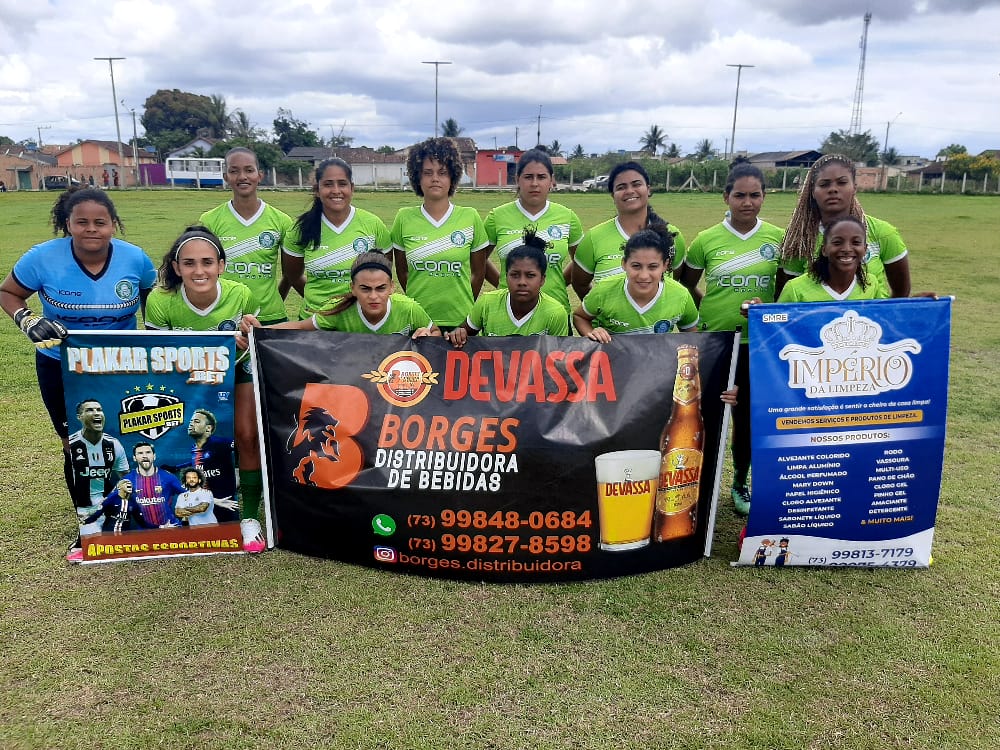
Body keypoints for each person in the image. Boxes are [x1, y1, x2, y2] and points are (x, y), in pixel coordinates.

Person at [0, 187, 155, 560]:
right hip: (61, 366)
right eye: (81, 222)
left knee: (125, 440)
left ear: (112, 225)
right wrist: (28, 320)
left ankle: (131, 516)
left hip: (120, 365)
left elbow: (155, 298)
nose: (91, 229)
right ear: (67, 224)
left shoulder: (135, 259)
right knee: (77, 444)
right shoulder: (42, 258)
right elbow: (8, 293)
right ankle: (89, 524)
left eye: (100, 222)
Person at [679, 158, 784, 515]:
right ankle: (699, 484)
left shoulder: (777, 238)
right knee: (704, 415)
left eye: (755, 195)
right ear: (726, 197)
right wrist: (709, 309)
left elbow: (785, 291)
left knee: (748, 418)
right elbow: (686, 286)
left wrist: (766, 311)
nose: (747, 202)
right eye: (740, 195)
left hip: (761, 344)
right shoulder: (706, 240)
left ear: (764, 197)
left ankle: (740, 482)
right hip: (715, 342)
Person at [145, 226, 265, 523]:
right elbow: (157, 355)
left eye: (207, 262)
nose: (199, 270)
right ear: (176, 267)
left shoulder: (240, 294)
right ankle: (176, 505)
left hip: (236, 367)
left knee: (248, 436)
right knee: (176, 438)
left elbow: (251, 336)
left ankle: (248, 516)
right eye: (189, 263)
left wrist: (247, 335)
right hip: (184, 377)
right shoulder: (160, 300)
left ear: (221, 265)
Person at [777, 153, 910, 299]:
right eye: (824, 184)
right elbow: (787, 300)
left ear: (854, 188)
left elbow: (901, 292)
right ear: (813, 192)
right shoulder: (800, 238)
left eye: (841, 182)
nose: (833, 189)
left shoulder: (882, 232)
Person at [391, 137, 489, 331]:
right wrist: (415, 307)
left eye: (442, 173)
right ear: (417, 177)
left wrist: (464, 314)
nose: (435, 178)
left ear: (452, 177)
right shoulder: (403, 218)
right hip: (418, 323)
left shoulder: (470, 217)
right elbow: (402, 272)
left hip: (460, 323)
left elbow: (479, 273)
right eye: (428, 173)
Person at [283, 157, 391, 320]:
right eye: (328, 184)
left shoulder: (373, 224)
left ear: (352, 188)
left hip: (360, 322)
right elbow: (293, 276)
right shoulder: (300, 228)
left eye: (342, 183)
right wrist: (319, 303)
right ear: (317, 190)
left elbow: (385, 275)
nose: (336, 190)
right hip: (313, 321)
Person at [482, 149, 583, 319]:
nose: (535, 183)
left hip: (554, 312)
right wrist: (507, 282)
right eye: (528, 177)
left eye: (541, 177)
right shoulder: (496, 217)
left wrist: (557, 281)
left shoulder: (567, 217)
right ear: (517, 180)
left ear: (552, 180)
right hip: (507, 312)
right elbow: (479, 261)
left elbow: (581, 263)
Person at [199, 147, 295, 326]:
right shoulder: (210, 220)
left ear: (260, 175)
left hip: (270, 317)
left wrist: (275, 299)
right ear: (226, 177)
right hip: (225, 316)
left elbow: (290, 274)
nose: (242, 176)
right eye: (234, 171)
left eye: (249, 170)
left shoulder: (281, 221)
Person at [244, 252, 439, 338]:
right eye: (365, 288)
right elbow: (300, 326)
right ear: (353, 288)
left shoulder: (409, 309)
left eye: (380, 288)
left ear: (392, 288)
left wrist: (428, 336)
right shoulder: (339, 310)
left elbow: (436, 333)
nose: (373, 296)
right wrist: (259, 332)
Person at [572, 161, 686, 301]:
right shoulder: (593, 238)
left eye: (636, 184)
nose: (630, 191)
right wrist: (602, 309)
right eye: (621, 187)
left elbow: (677, 280)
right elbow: (580, 284)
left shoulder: (672, 236)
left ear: (648, 189)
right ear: (613, 196)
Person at [445, 229, 570, 348]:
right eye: (515, 275)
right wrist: (457, 334)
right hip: (492, 370)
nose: (522, 282)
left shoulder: (555, 313)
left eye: (530, 275)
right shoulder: (487, 303)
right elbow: (463, 333)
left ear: (542, 279)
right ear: (506, 276)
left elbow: (558, 358)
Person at [574, 226, 699, 341]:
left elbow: (693, 336)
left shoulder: (681, 296)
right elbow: (580, 317)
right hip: (614, 362)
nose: (644, 275)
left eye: (653, 267)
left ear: (665, 265)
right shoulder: (604, 290)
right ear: (624, 264)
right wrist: (592, 333)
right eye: (636, 266)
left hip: (658, 362)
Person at [777, 216, 887, 302]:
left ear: (865, 249)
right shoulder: (795, 289)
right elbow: (778, 326)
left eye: (856, 242)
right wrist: (761, 313)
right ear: (824, 249)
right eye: (837, 242)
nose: (847, 249)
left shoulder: (871, 283)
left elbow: (881, 321)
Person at [84, 442, 183, 532]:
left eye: (148, 452)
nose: (144, 456)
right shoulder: (127, 479)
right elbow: (108, 500)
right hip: (144, 532)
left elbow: (188, 493)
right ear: (135, 458)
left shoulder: (168, 477)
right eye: (140, 453)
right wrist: (90, 514)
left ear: (154, 456)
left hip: (170, 527)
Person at [68, 399, 129, 536]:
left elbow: (125, 478)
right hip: (84, 511)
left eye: (99, 410)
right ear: (79, 417)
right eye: (90, 410)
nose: (97, 413)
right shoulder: (71, 446)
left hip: (108, 508)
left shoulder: (114, 445)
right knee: (95, 541)